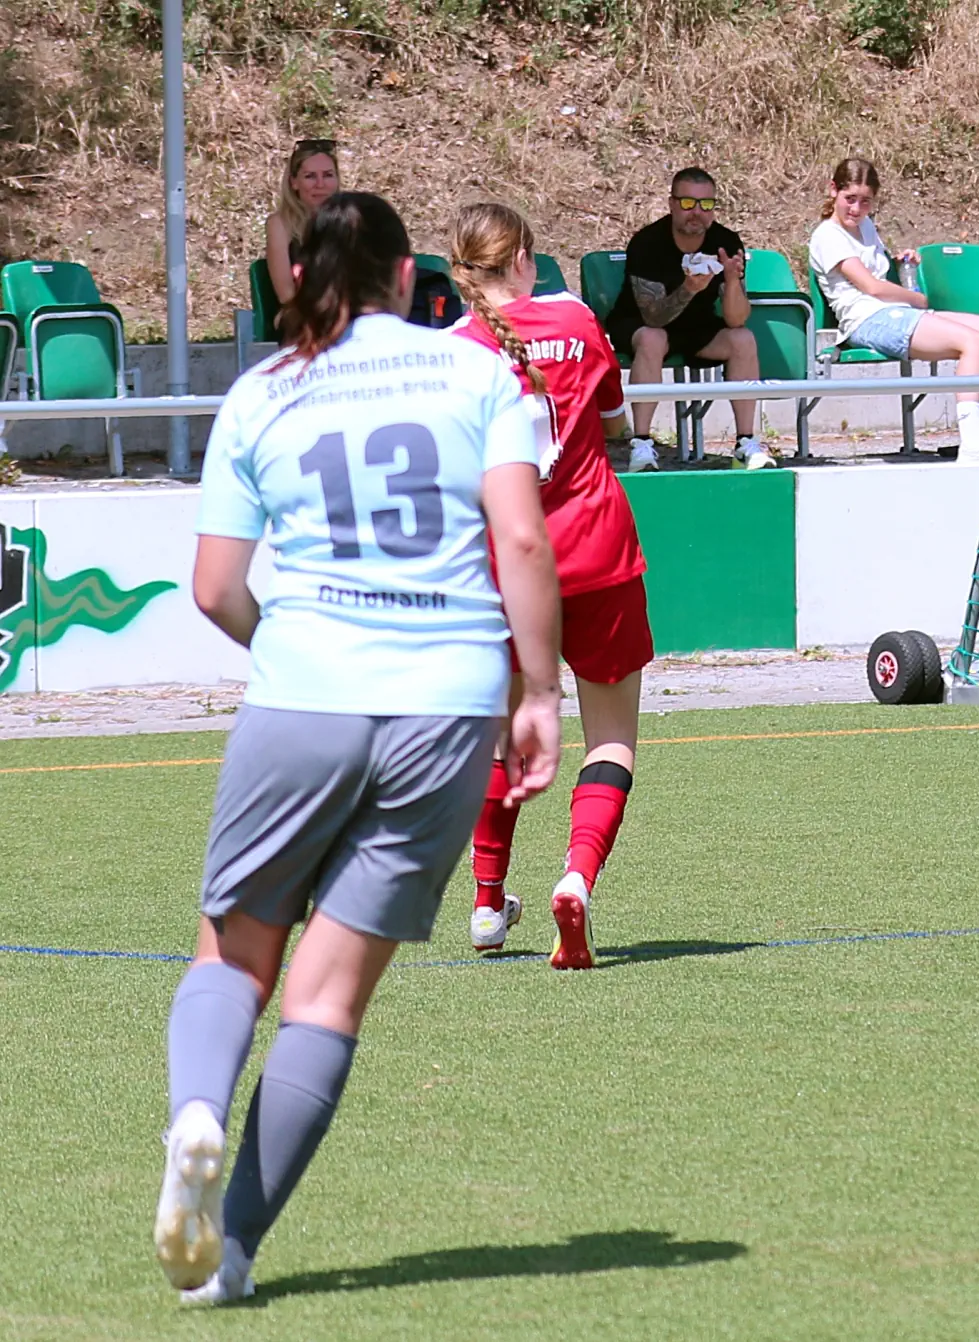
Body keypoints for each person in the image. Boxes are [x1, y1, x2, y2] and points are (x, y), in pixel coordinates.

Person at [153, 191, 564, 1304]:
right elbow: (523, 539)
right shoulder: (474, 370)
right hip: (447, 706)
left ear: (301, 280)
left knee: (232, 956)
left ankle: (197, 1113)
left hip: (306, 693)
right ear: (407, 279)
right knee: (327, 1000)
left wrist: (290, 649)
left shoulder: (262, 393)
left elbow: (215, 588)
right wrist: (539, 690)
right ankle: (232, 1256)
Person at [449, 202, 654, 968]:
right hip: (597, 549)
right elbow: (615, 422)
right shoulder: (574, 318)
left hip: (504, 564)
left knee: (502, 736)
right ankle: (577, 876)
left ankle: (487, 903)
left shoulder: (453, 350)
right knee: (612, 739)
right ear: (524, 259)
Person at [809, 157, 979, 463]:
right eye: (849, 199)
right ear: (833, 191)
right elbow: (871, 287)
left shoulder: (865, 226)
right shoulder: (828, 236)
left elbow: (877, 273)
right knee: (972, 342)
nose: (856, 208)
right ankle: (973, 443)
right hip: (867, 320)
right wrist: (915, 298)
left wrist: (900, 262)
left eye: (865, 201)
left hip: (895, 313)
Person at [606, 167, 772, 472]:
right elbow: (652, 317)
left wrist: (732, 281)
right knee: (653, 338)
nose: (696, 212)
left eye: (705, 204)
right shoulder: (648, 243)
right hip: (640, 322)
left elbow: (736, 319)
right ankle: (641, 444)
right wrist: (689, 289)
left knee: (743, 339)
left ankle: (745, 443)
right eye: (687, 203)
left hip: (696, 324)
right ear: (672, 204)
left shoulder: (725, 241)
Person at [264, 139, 340, 310]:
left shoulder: (351, 219)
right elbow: (286, 295)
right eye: (310, 176)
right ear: (294, 182)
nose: (320, 184)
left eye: (328, 175)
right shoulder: (280, 224)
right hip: (304, 313)